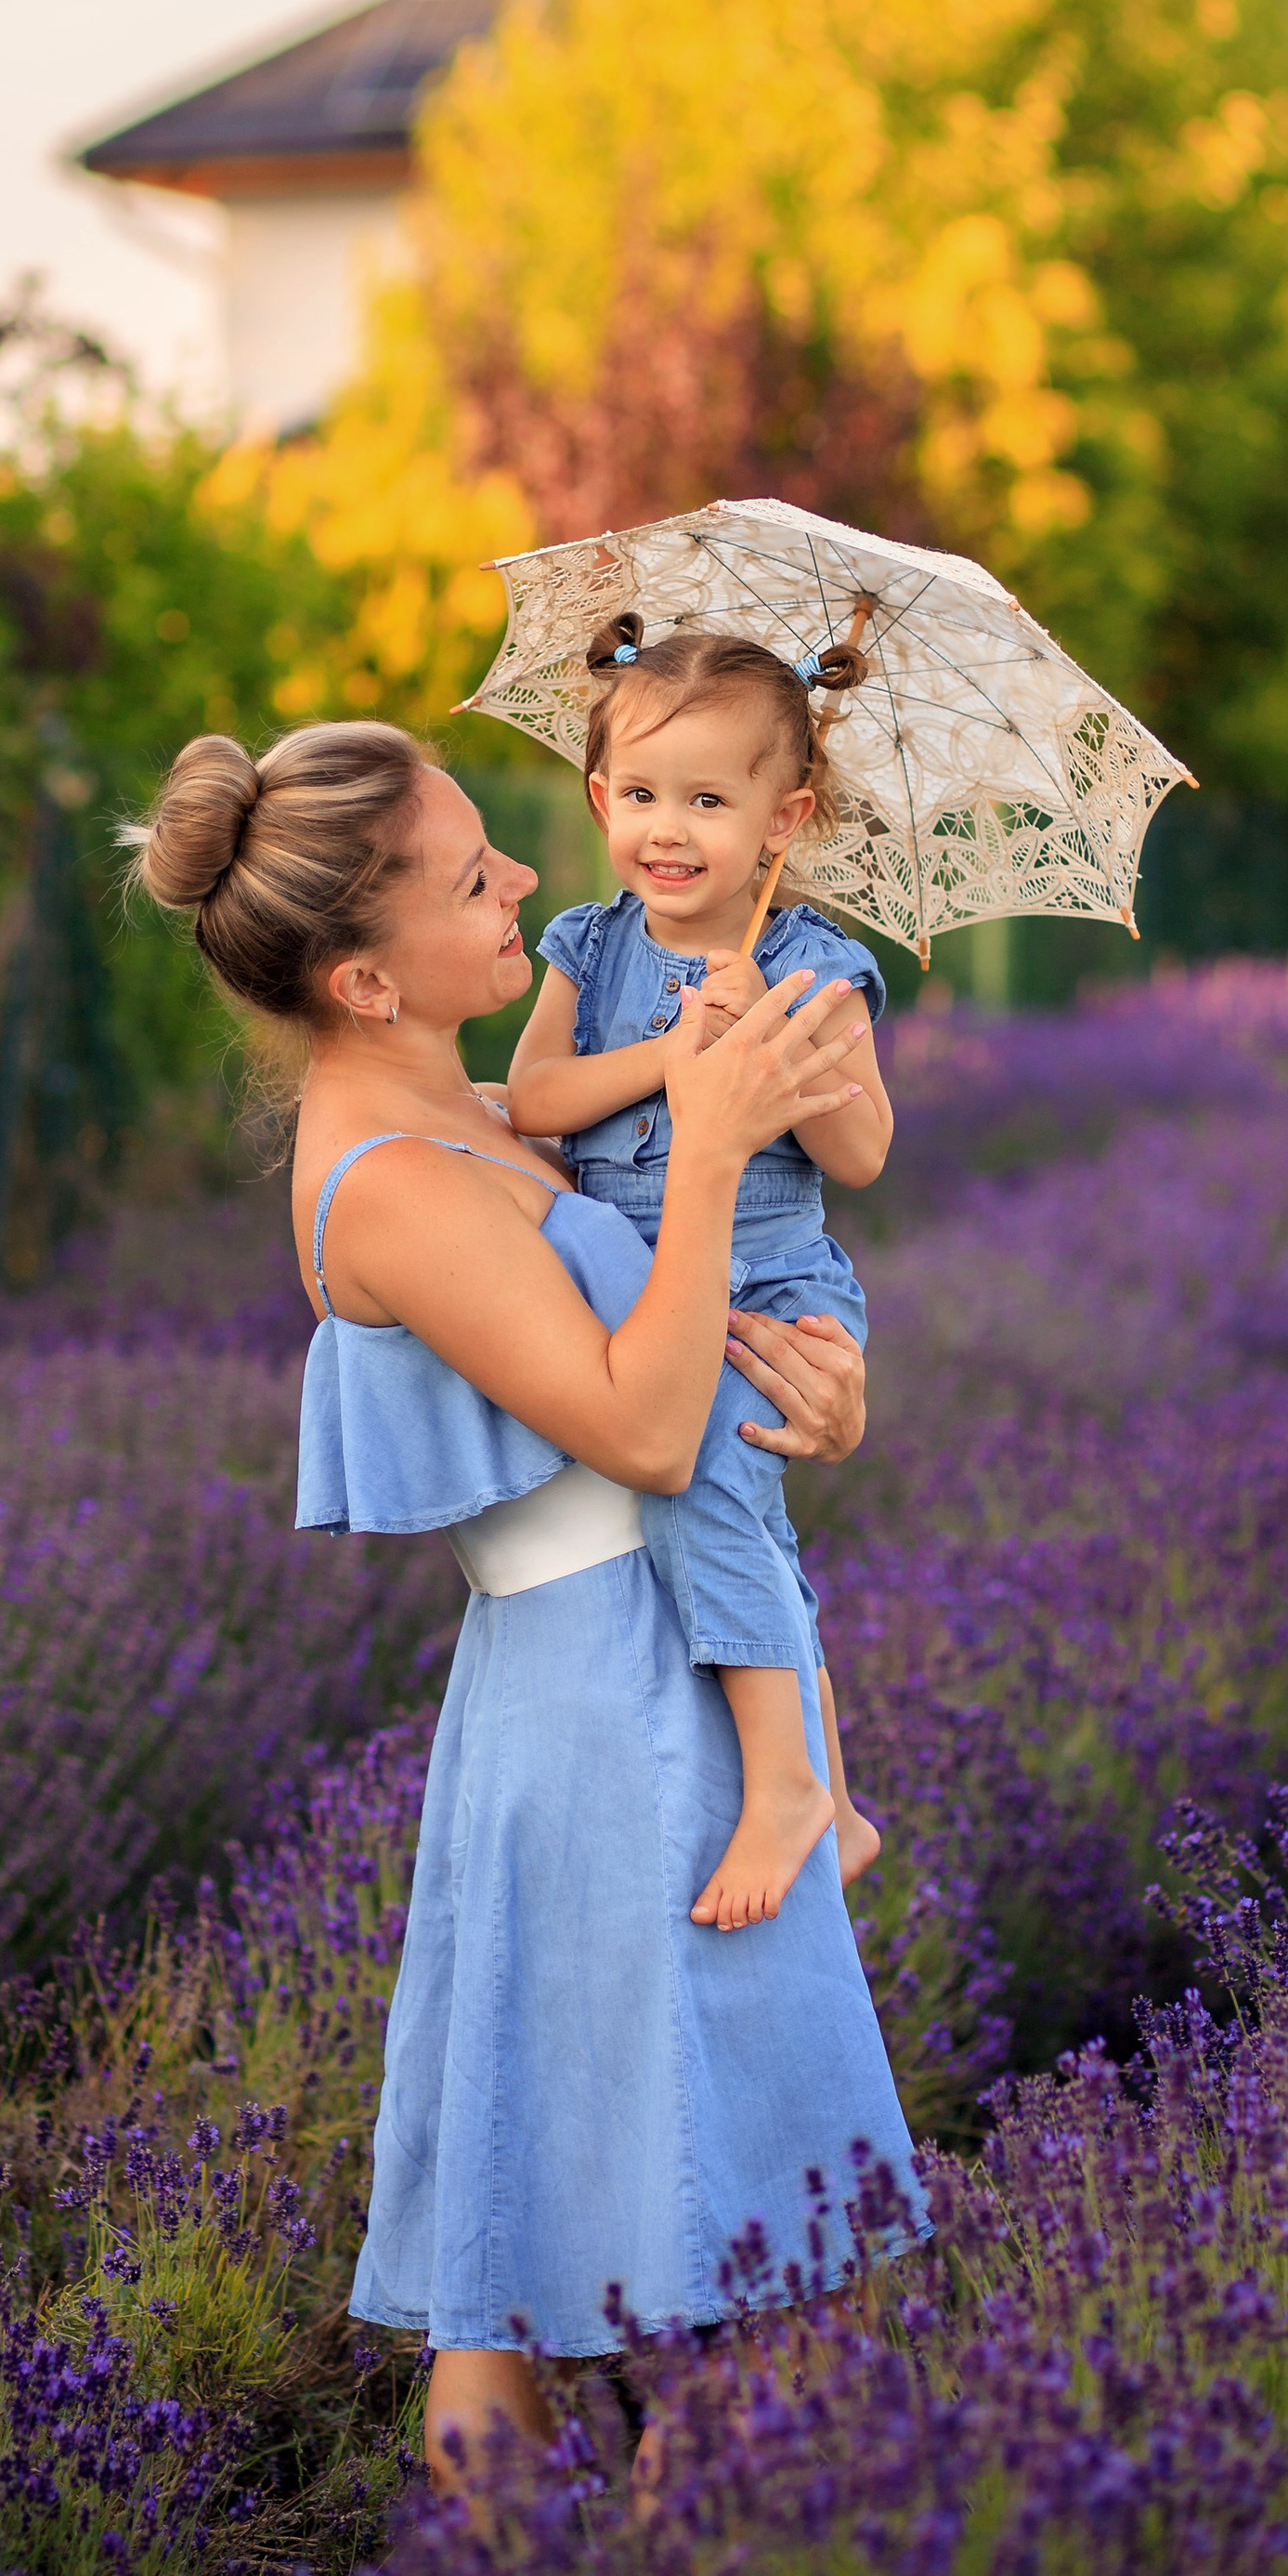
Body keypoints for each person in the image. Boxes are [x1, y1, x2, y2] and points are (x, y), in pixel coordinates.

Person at [128, 717, 914, 2486]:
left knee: (526, 2277)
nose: (527, 881)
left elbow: (680, 1367)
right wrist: (703, 1148)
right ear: (358, 972)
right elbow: (637, 1429)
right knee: (773, 2274)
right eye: (471, 871)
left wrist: (821, 1384)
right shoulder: (397, 1190)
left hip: (612, 1688)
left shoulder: (469, 1121)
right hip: (619, 1725)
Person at [506, 618, 893, 1934]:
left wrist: (791, 1049)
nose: (670, 831)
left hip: (768, 1280)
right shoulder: (587, 943)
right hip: (633, 1272)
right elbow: (535, 1100)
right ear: (602, 795)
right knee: (741, 1515)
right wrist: (675, 1055)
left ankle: (788, 1788)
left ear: (784, 821)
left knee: (712, 1484)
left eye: (711, 802)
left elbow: (868, 1150)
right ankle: (828, 1792)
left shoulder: (812, 964)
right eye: (645, 795)